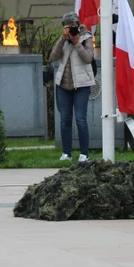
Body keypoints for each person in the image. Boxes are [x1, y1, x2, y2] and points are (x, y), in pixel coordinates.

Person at [50, 12, 96, 163]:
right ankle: (66, 153)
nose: (70, 29)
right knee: (65, 120)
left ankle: (84, 154)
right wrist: (63, 39)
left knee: (81, 119)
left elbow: (88, 58)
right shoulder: (64, 39)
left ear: (78, 23)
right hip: (63, 84)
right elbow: (53, 57)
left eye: (72, 26)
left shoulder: (86, 37)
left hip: (81, 85)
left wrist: (77, 43)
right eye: (67, 27)